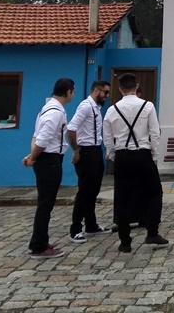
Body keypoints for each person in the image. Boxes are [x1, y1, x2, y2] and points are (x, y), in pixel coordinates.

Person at [103, 73, 168, 253]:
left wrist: (114, 156)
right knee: (155, 192)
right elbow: (155, 133)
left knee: (122, 197)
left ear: (120, 88)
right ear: (137, 86)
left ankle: (125, 241)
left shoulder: (111, 110)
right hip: (143, 154)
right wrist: (154, 156)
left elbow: (107, 138)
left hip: (122, 156)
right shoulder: (147, 107)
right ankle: (152, 232)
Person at [22, 77, 75, 260]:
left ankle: (41, 241)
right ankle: (39, 246)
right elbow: (42, 140)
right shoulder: (55, 113)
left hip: (44, 159)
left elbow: (36, 137)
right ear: (68, 91)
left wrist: (32, 156)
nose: (72, 95)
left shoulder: (47, 109)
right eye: (72, 92)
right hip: (50, 161)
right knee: (45, 205)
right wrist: (34, 157)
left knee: (45, 204)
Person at [66, 80, 112, 244]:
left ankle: (91, 224)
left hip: (95, 150)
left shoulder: (96, 108)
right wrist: (76, 150)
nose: (106, 96)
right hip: (86, 151)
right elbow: (71, 129)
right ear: (96, 91)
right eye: (105, 92)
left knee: (93, 190)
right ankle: (75, 228)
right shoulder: (86, 106)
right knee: (84, 191)